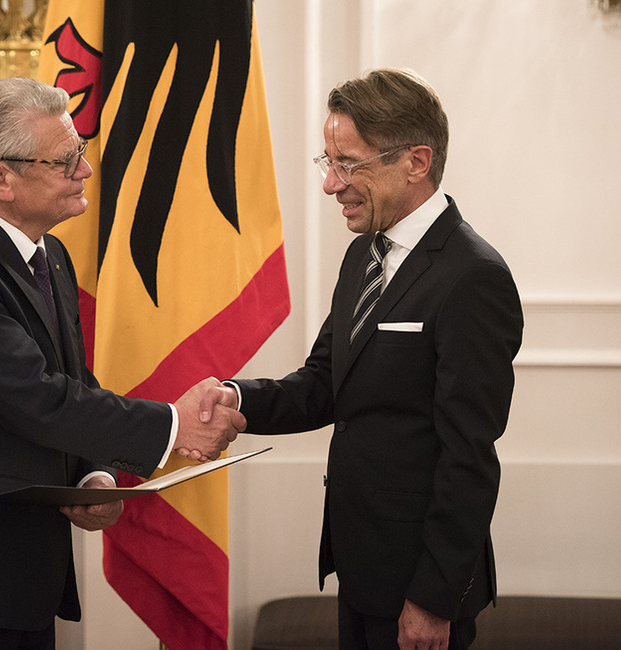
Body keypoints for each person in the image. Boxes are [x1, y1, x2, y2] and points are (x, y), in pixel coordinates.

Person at [0, 77, 244, 650]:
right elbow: (33, 397)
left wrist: (92, 476)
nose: (84, 171)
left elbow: (70, 382)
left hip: (17, 572)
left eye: (80, 152)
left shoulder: (48, 253)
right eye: (65, 161)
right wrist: (174, 424)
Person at [193, 68, 524, 649]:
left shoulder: (473, 277)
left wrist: (431, 599)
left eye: (348, 163)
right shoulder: (363, 256)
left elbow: (468, 455)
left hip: (418, 589)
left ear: (415, 162)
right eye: (329, 163)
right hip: (361, 569)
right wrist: (237, 400)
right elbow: (324, 384)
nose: (331, 184)